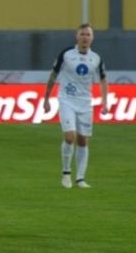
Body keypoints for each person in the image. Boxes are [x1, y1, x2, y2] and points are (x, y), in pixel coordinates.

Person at [43, 23, 109, 189]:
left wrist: (104, 101)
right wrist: (46, 98)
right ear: (76, 36)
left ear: (92, 38)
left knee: (83, 140)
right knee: (70, 136)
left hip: (85, 103)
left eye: (88, 34)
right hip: (66, 100)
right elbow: (53, 75)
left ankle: (80, 179)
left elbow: (103, 79)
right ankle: (66, 173)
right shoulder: (66, 55)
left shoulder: (96, 58)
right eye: (82, 34)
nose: (85, 37)